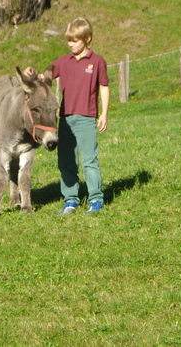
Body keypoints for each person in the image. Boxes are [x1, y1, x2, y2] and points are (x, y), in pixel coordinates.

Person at [29, 17, 110, 215]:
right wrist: (32, 73)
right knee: (66, 161)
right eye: (68, 40)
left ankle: (96, 200)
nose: (71, 44)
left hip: (86, 118)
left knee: (89, 160)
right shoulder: (63, 62)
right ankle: (71, 200)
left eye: (74, 40)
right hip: (64, 119)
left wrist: (104, 114)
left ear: (87, 39)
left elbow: (104, 87)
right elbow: (43, 76)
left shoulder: (97, 61)